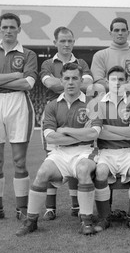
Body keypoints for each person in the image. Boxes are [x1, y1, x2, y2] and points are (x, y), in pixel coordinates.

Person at [16, 63, 102, 236]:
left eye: (75, 78)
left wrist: (65, 130)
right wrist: (80, 133)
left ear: (81, 81)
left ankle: (86, 221)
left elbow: (93, 134)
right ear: (61, 80)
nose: (71, 82)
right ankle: (31, 221)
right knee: (41, 174)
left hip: (85, 151)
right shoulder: (52, 106)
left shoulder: (93, 104)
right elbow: (50, 136)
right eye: (67, 78)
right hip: (60, 152)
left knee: (84, 170)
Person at [0, 12, 38, 222]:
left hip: (18, 103)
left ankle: (21, 208)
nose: (8, 31)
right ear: (0, 28)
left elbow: (28, 84)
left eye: (12, 27)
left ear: (19, 29)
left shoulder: (29, 54)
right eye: (4, 27)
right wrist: (15, 75)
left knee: (19, 161)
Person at [39, 26, 93, 221]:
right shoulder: (46, 63)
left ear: (74, 42)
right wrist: (69, 82)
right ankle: (50, 207)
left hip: (78, 108)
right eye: (62, 41)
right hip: (54, 110)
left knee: (76, 154)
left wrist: (59, 81)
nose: (66, 44)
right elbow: (49, 84)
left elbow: (88, 85)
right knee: (53, 156)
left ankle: (76, 205)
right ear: (55, 43)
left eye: (70, 41)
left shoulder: (82, 62)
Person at [93, 65, 130, 232]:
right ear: (107, 81)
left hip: (129, 151)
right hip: (106, 152)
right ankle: (104, 218)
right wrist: (124, 132)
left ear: (127, 82)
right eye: (113, 79)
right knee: (100, 172)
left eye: (121, 79)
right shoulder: (99, 102)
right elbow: (97, 134)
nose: (117, 83)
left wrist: (107, 129)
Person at [90, 17, 130, 92]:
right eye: (116, 30)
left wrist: (111, 83)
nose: (120, 33)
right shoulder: (100, 56)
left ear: (128, 33)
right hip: (106, 102)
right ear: (110, 33)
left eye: (123, 30)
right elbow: (98, 83)